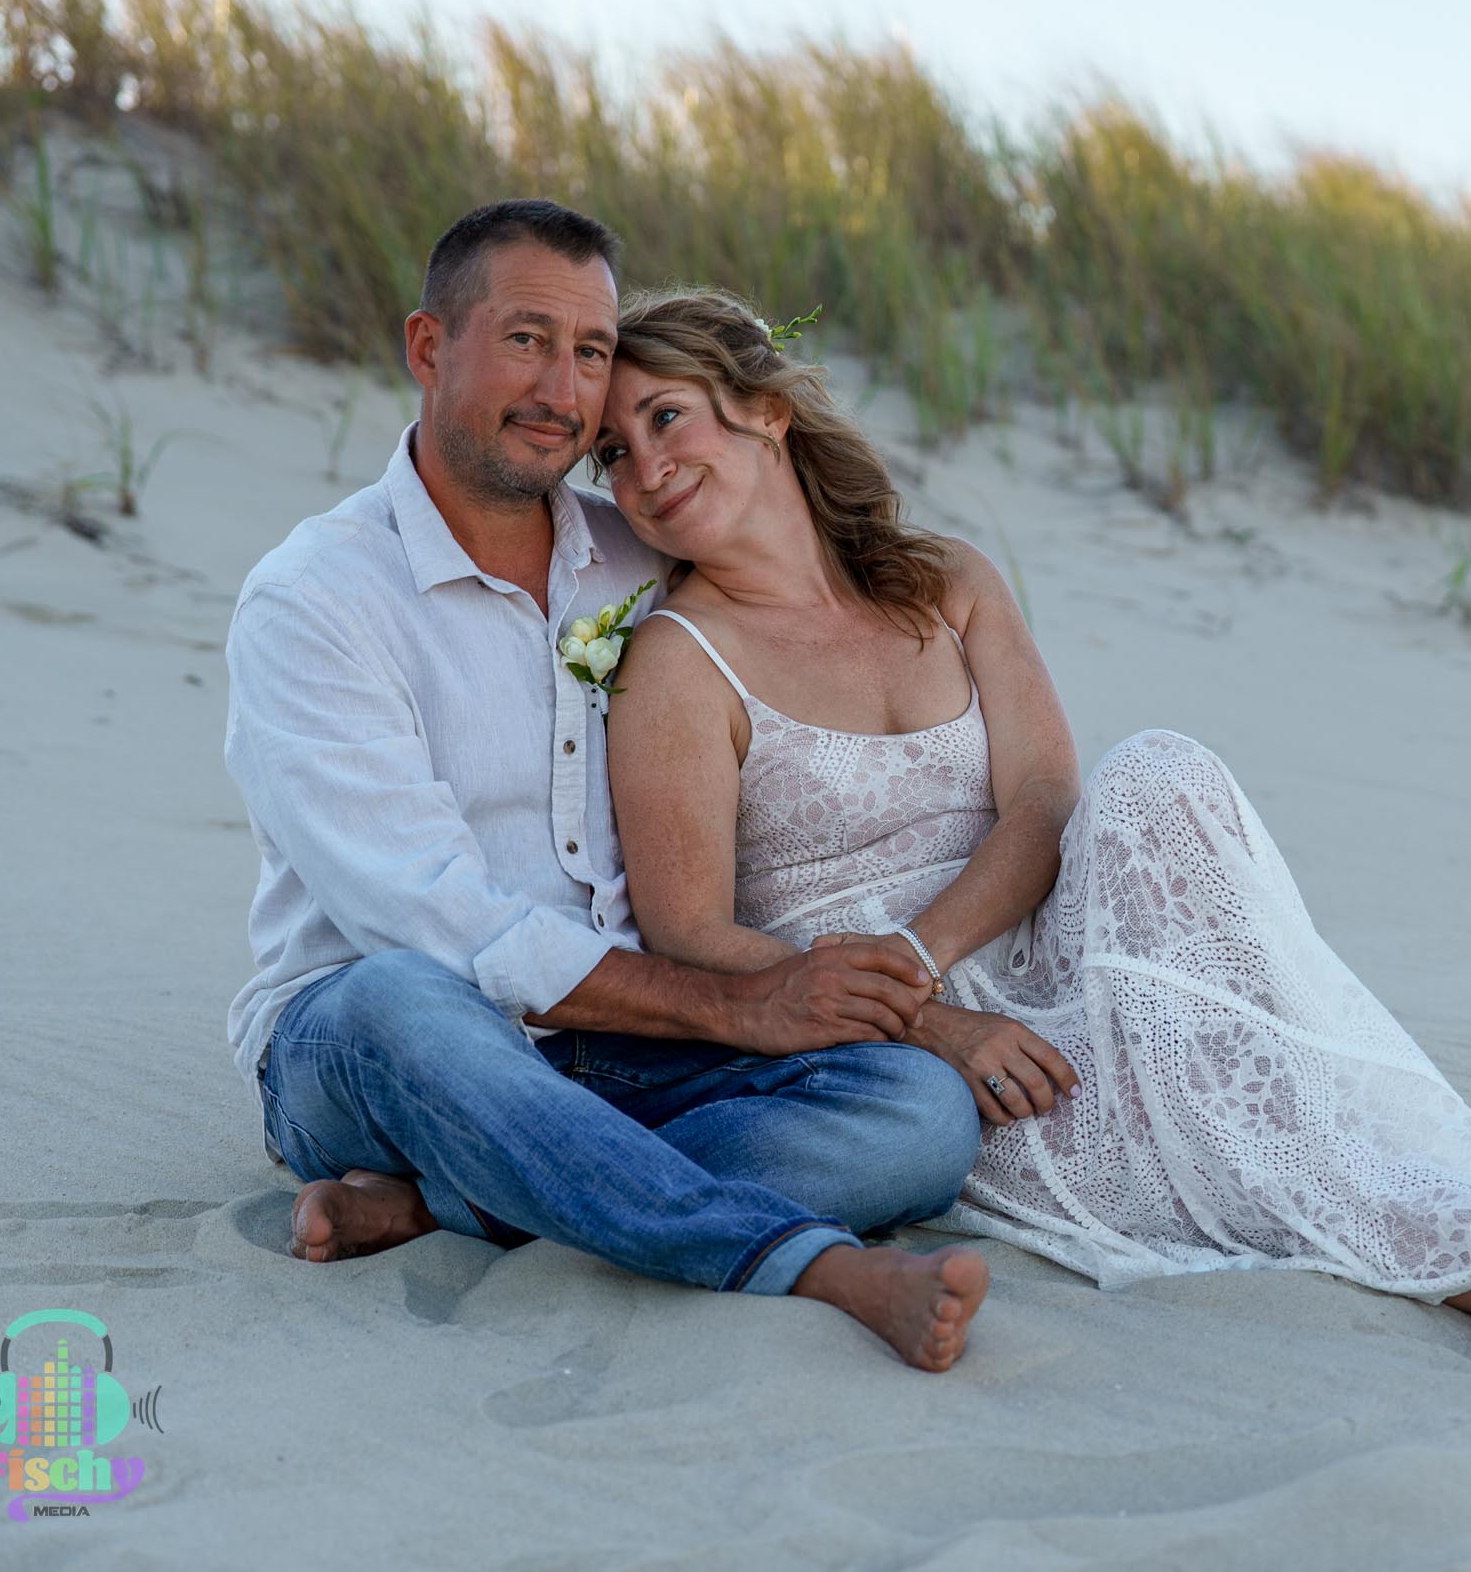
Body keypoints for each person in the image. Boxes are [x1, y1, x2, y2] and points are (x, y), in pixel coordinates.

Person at [592, 285, 1471, 1319]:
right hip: (890, 1036)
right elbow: (693, 936)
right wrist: (930, 1013)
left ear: (764, 411)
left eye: (666, 417)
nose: (643, 467)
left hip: (1031, 944)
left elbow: (1044, 799)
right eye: (612, 452)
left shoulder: (945, 581)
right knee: (1227, 1140)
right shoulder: (677, 663)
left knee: (1159, 772)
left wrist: (935, 950)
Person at [223, 202, 990, 1373]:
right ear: (429, 346)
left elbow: (798, 594)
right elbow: (435, 921)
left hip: (621, 1048)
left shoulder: (638, 552)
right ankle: (811, 1263)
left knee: (917, 1116)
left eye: (590, 351)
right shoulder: (315, 599)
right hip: (384, 1048)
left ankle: (452, 1202)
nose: (564, 391)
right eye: (526, 340)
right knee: (400, 998)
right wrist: (736, 1007)